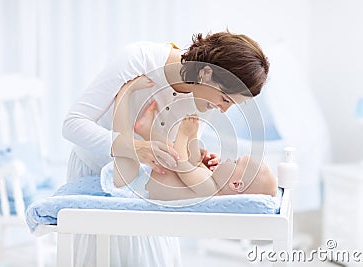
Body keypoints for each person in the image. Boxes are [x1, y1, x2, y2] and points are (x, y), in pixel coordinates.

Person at [62, 30, 269, 267]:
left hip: (149, 187)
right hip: (96, 171)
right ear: (206, 73)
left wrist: (195, 156)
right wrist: (135, 148)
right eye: (225, 100)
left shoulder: (206, 95)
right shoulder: (138, 60)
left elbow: (175, 151)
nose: (223, 110)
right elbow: (72, 125)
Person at [105, 98, 277, 200]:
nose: (229, 159)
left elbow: (180, 164)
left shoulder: (210, 191)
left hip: (137, 185)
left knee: (171, 155)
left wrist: (184, 133)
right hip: (150, 174)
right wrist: (193, 137)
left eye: (235, 162)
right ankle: (146, 130)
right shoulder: (211, 182)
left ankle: (126, 100)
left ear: (235, 184)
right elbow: (192, 162)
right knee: (171, 152)